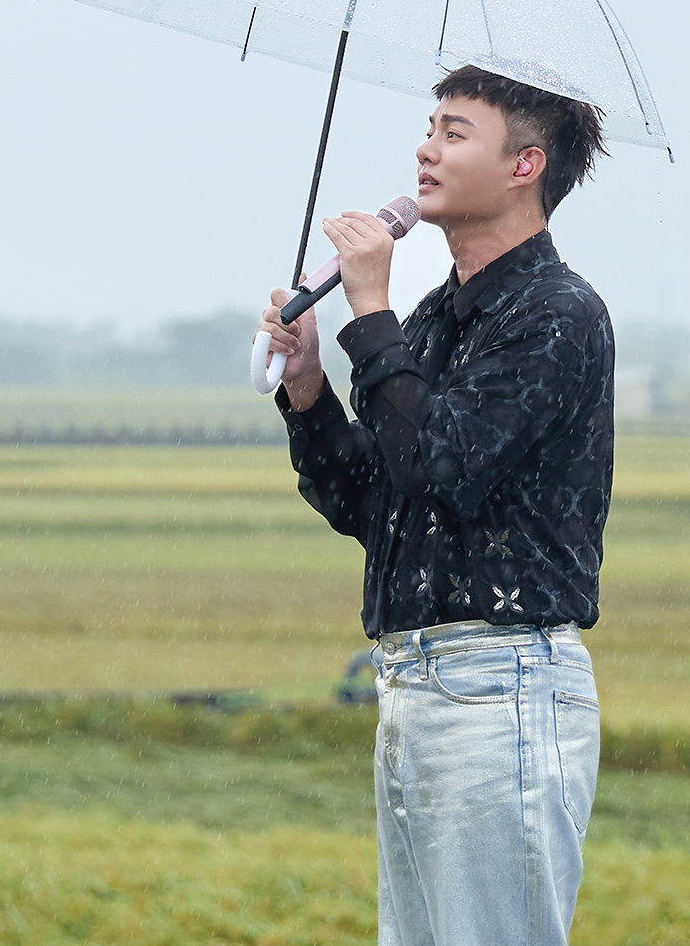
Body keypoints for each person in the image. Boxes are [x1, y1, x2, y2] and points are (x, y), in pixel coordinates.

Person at [257, 64, 614, 946]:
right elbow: (380, 500)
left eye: (455, 132)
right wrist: (307, 386)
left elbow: (450, 461)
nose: (425, 148)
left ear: (525, 164)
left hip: (502, 684)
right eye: (430, 127)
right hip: (415, 678)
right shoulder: (435, 318)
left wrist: (369, 307)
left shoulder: (557, 314)